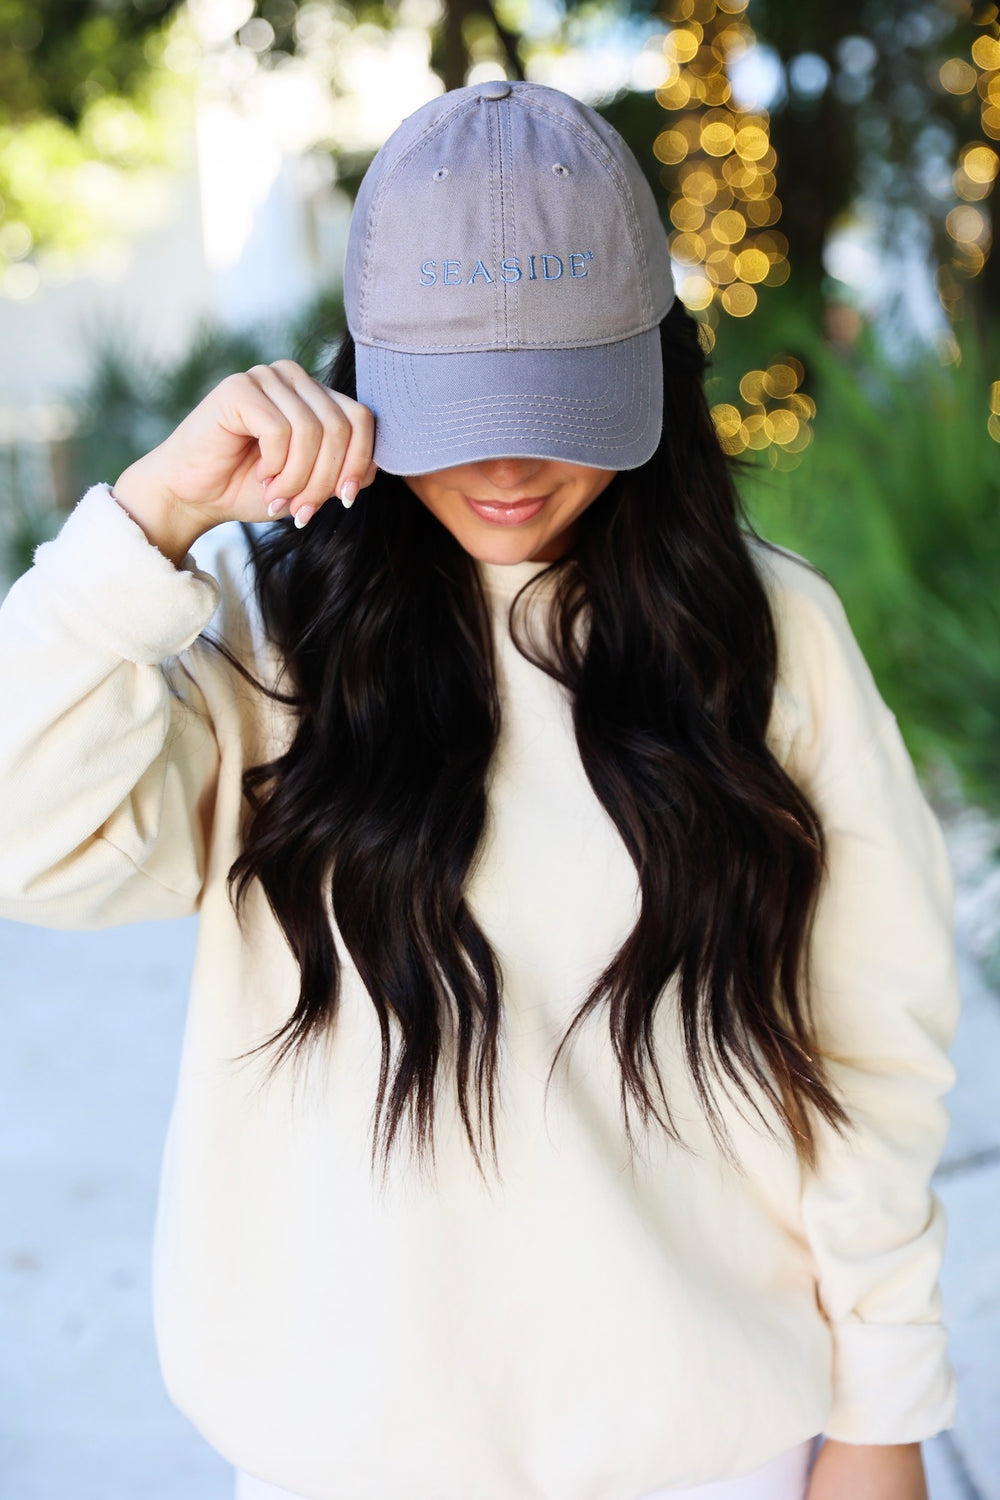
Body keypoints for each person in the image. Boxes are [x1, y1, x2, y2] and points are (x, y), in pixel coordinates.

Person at [0, 81, 958, 1500]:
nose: (505, 466)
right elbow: (30, 843)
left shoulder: (766, 631)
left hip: (718, 1455)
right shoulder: (254, 624)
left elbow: (871, 1040)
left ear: (651, 367)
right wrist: (144, 524)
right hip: (346, 1464)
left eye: (556, 404)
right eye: (455, 410)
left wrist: (885, 1411)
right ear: (363, 371)